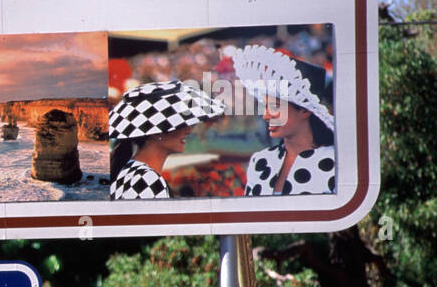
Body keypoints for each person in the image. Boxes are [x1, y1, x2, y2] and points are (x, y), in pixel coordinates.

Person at [227, 44, 335, 196]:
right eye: (265, 107)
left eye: (275, 107)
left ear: (304, 110)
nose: (266, 116)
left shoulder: (334, 162)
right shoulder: (260, 161)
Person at [107, 80, 225, 199]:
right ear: (155, 133)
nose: (188, 130)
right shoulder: (147, 180)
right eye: (179, 124)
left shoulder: (132, 171)